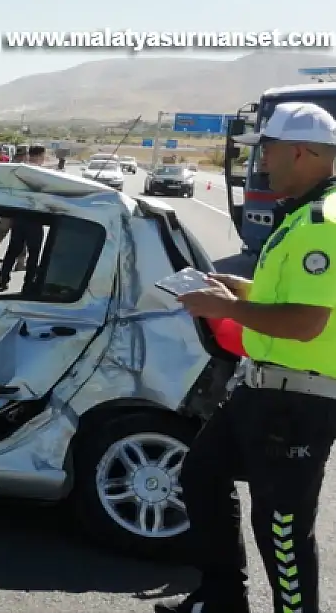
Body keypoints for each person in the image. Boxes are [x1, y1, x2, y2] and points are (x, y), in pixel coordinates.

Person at [157, 101, 336, 613]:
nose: (263, 163)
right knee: (202, 475)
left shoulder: (322, 223)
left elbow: (305, 323)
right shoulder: (302, 212)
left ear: (299, 152)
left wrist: (225, 307)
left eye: (269, 151)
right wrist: (243, 290)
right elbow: (292, 298)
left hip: (298, 402)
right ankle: (221, 600)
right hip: (262, 389)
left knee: (281, 529)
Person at [0, 145, 47, 291]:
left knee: (13, 249)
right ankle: (28, 284)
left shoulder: (20, 171)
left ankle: (4, 278)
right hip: (34, 219)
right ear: (39, 156)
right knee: (34, 253)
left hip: (19, 217)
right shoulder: (43, 174)